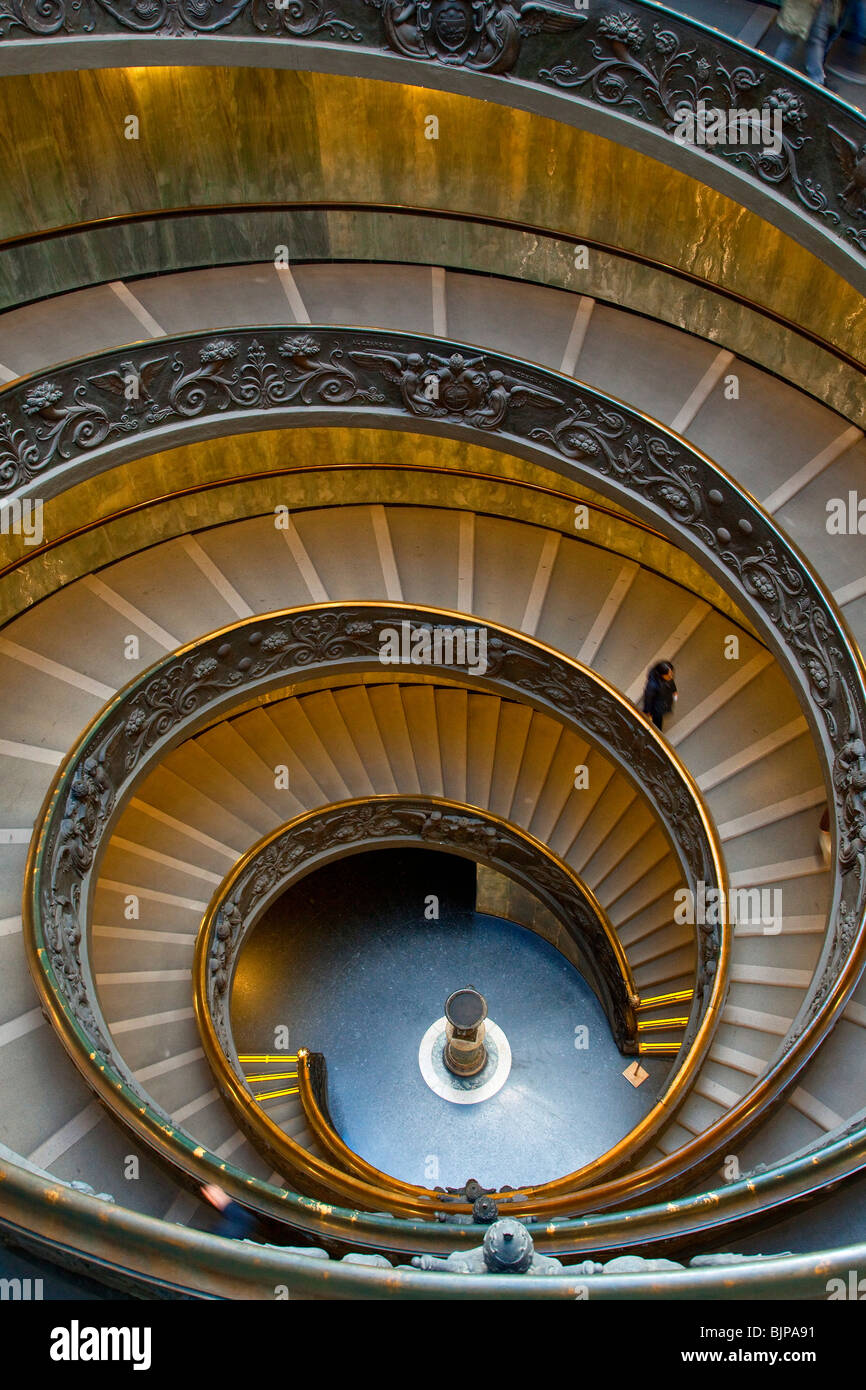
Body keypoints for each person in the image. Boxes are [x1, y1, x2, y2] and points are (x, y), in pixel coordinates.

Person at [773, 0, 843, 84]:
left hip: (812, 7)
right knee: (796, 40)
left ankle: (773, 71)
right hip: (806, 7)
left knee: (796, 41)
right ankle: (817, 81)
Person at [642, 660, 677, 733]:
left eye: (671, 674)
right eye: (668, 675)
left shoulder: (668, 678)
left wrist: (674, 690)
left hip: (663, 703)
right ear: (661, 674)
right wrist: (647, 712)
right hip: (656, 708)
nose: (671, 676)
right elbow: (648, 699)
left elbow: (672, 683)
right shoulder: (652, 685)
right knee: (657, 722)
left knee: (659, 719)